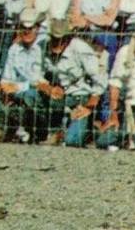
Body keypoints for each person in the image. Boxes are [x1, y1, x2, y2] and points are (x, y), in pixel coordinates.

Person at [41, 19, 108, 148]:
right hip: (58, 98)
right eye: (54, 38)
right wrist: (48, 88)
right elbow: (38, 76)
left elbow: (100, 78)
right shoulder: (45, 47)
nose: (57, 43)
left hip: (81, 97)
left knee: (73, 141)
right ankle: (54, 131)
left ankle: (89, 129)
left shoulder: (80, 48)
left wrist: (89, 106)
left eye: (60, 39)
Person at [0, 8, 46, 143]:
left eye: (31, 28)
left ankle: (38, 131)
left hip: (38, 95)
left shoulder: (42, 48)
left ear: (37, 28)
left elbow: (39, 82)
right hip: (19, 93)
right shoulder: (14, 49)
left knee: (30, 95)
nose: (27, 32)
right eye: (23, 28)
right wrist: (11, 87)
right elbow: (6, 80)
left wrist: (17, 87)